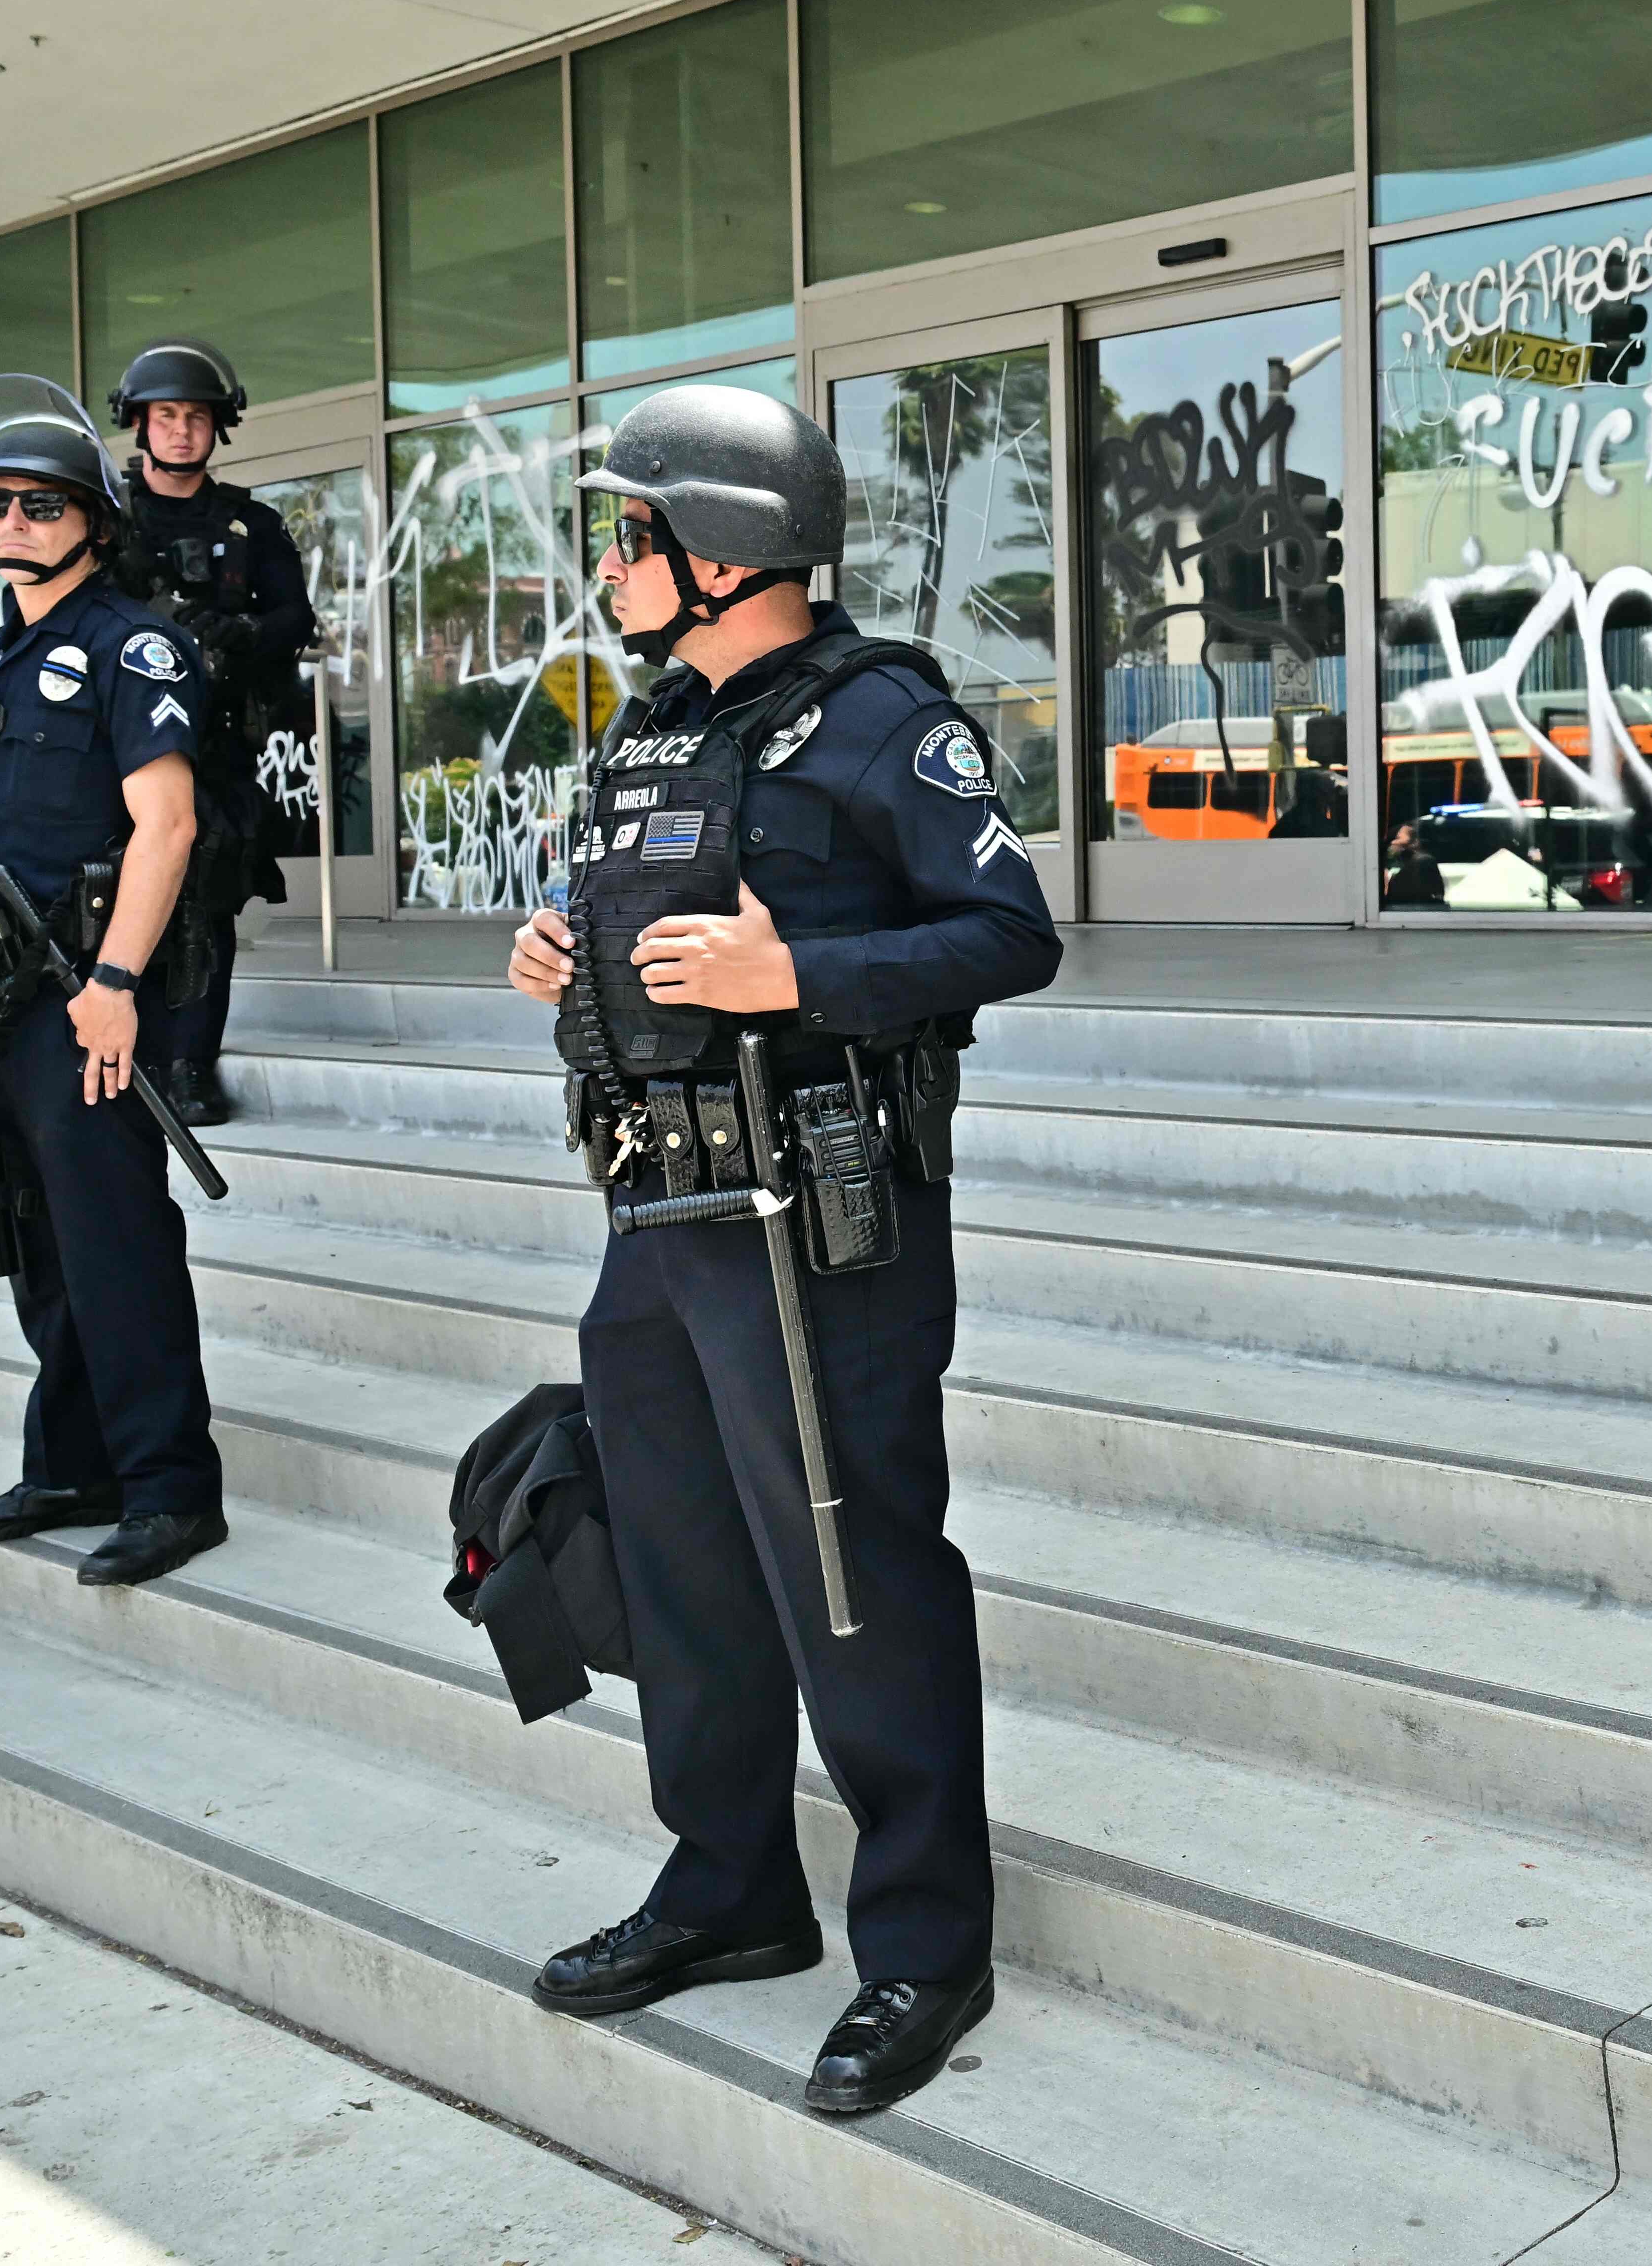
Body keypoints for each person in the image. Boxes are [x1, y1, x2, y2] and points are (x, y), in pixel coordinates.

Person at [505, 383, 1058, 2119]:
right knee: (685, 1567)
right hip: (656, 1213)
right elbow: (644, 931)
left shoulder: (883, 720)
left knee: (854, 1568)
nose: (609, 565)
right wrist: (561, 956)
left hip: (824, 1224)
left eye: (630, 533)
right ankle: (730, 1887)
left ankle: (925, 1942)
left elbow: (1008, 934)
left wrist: (798, 979)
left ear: (724, 546)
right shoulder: (659, 723)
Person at [0, 377, 232, 1591]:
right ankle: (71, 1465)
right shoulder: (1, 655)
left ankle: (170, 1487)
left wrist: (114, 981)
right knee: (36, 1238)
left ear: (94, 519)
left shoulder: (129, 646)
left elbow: (167, 825)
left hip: (80, 991)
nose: (15, 522)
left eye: (42, 504)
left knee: (114, 1243)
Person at [111, 341, 317, 1130]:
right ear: (140, 425)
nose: (181, 431)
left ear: (216, 428)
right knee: (110, 895)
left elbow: (295, 617)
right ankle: (120, 1052)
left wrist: (242, 635)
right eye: (166, 416)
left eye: (195, 417)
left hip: (217, 743)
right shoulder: (109, 519)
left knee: (205, 907)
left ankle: (189, 1065)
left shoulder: (250, 524)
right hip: (120, 744)